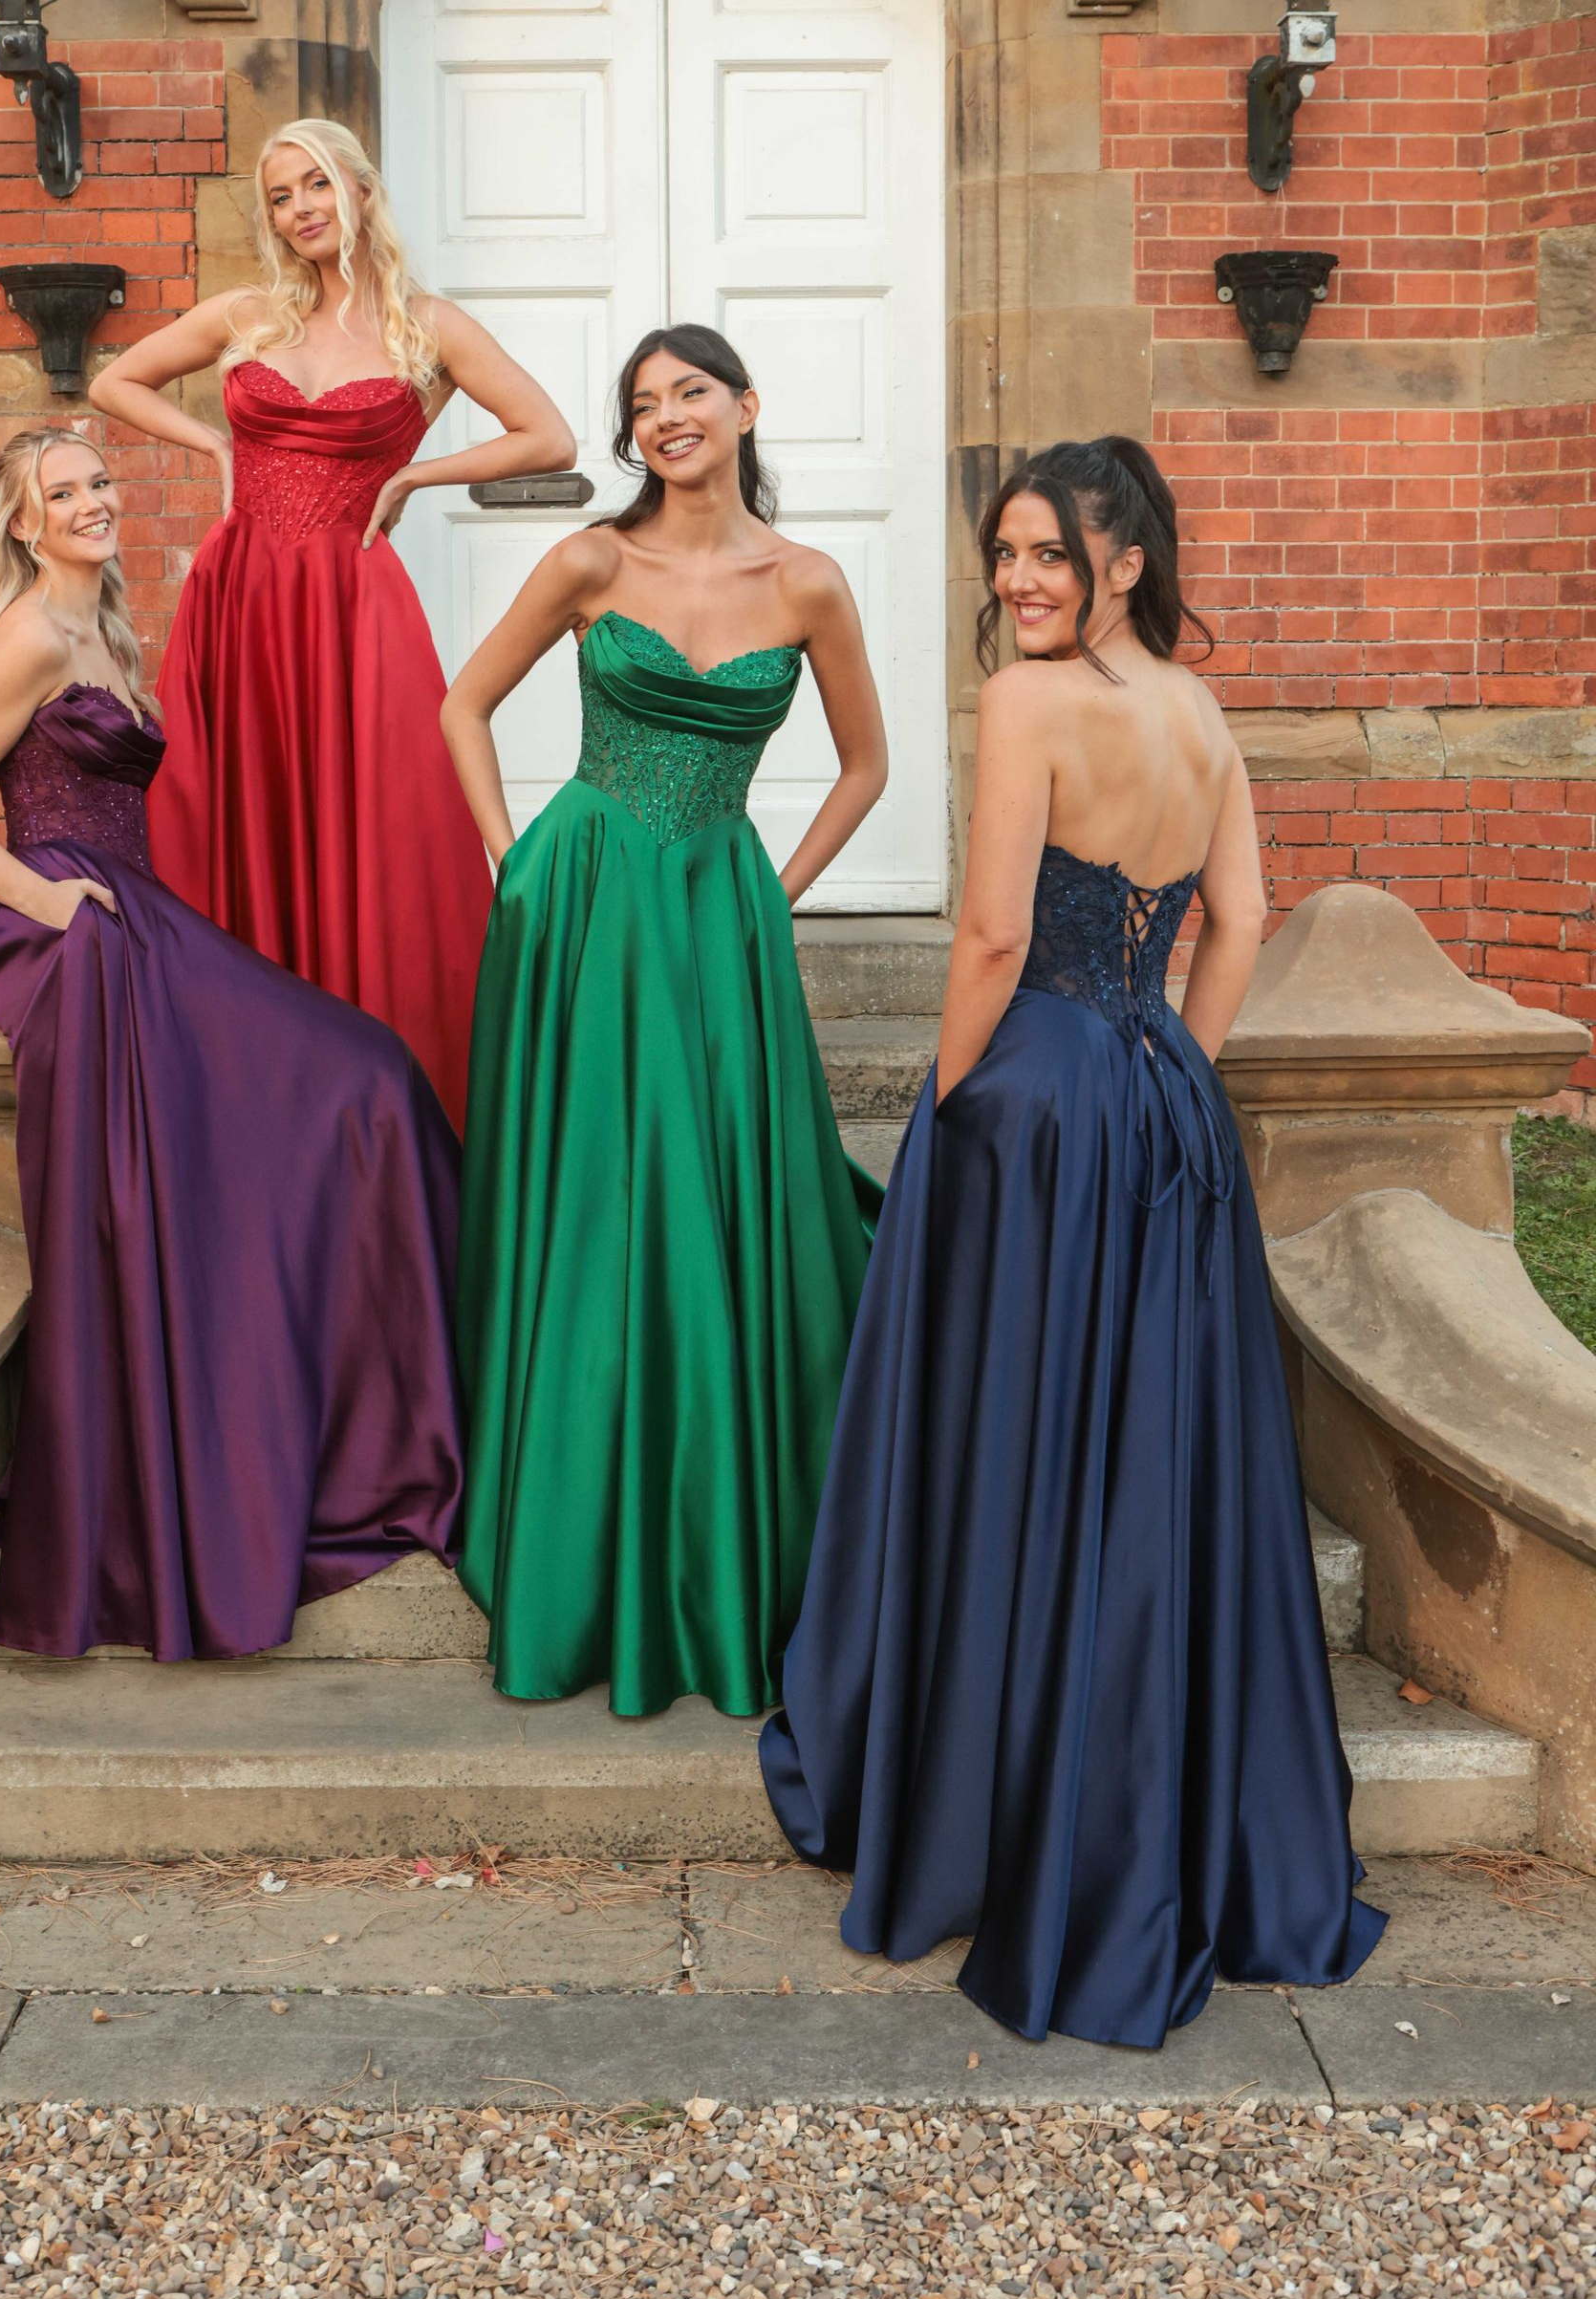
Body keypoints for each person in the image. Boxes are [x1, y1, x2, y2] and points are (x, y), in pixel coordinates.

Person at [760, 435, 1386, 2047]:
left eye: (1047, 554)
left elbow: (988, 933)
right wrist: (1178, 1061)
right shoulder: (1200, 711)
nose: (1016, 582)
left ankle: (990, 1812)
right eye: (1005, 556)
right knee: (1144, 1464)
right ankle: (1152, 1820)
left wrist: (950, 1108)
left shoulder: (1030, 704)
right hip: (1159, 1097)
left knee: (1011, 1449)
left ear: (1124, 560)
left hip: (1035, 1101)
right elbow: (1237, 919)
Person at [0, 425, 464, 1662]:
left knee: (369, 1076)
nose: (93, 501)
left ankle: (371, 1411)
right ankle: (349, 1434)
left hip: (140, 908)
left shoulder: (105, 628)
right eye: (63, 492)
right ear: (21, 523)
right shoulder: (31, 638)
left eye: (99, 482)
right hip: (79, 923)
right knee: (358, 1081)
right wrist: (45, 903)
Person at [440, 324, 886, 1718]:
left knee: (710, 1199)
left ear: (746, 406)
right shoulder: (590, 561)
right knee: (596, 1203)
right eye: (643, 404)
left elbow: (869, 767)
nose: (667, 415)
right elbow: (462, 704)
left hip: (714, 912)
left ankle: (713, 1537)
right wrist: (515, 855)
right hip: (581, 903)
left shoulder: (807, 581)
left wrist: (771, 887)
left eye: (690, 391)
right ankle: (573, 1527)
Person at [88, 118, 577, 1131]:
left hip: (354, 607)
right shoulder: (248, 314)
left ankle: (386, 1101)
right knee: (232, 816)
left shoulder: (426, 327)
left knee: (387, 824)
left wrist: (417, 471)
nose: (301, 207)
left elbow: (549, 435)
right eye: (280, 195)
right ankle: (242, 1083)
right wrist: (214, 451)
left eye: (316, 184)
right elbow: (113, 381)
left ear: (358, 188)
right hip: (242, 597)